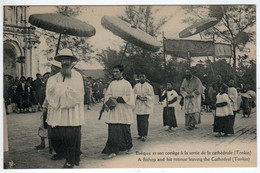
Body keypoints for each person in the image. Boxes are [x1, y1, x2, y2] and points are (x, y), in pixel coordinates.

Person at [45, 49, 85, 168]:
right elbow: (50, 93)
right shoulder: (53, 78)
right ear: (60, 62)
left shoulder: (77, 76)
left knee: (71, 136)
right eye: (62, 59)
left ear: (72, 61)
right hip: (58, 113)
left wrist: (59, 89)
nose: (65, 62)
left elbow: (76, 94)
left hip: (72, 113)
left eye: (67, 59)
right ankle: (62, 153)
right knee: (57, 135)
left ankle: (70, 160)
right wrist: (62, 89)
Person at [102, 64, 135, 160]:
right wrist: (110, 100)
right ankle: (112, 150)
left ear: (121, 72)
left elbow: (130, 98)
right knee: (113, 128)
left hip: (123, 109)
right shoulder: (112, 84)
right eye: (114, 72)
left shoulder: (127, 84)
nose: (115, 74)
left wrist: (119, 98)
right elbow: (107, 95)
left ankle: (128, 147)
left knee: (124, 128)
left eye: (117, 72)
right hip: (114, 109)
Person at [133, 73, 154, 141]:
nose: (141, 78)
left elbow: (151, 96)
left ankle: (144, 135)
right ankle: (140, 134)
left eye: (143, 77)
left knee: (144, 121)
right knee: (139, 120)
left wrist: (145, 98)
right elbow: (133, 94)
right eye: (140, 77)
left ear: (145, 77)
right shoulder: (136, 86)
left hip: (145, 106)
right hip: (139, 105)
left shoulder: (149, 86)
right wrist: (137, 96)